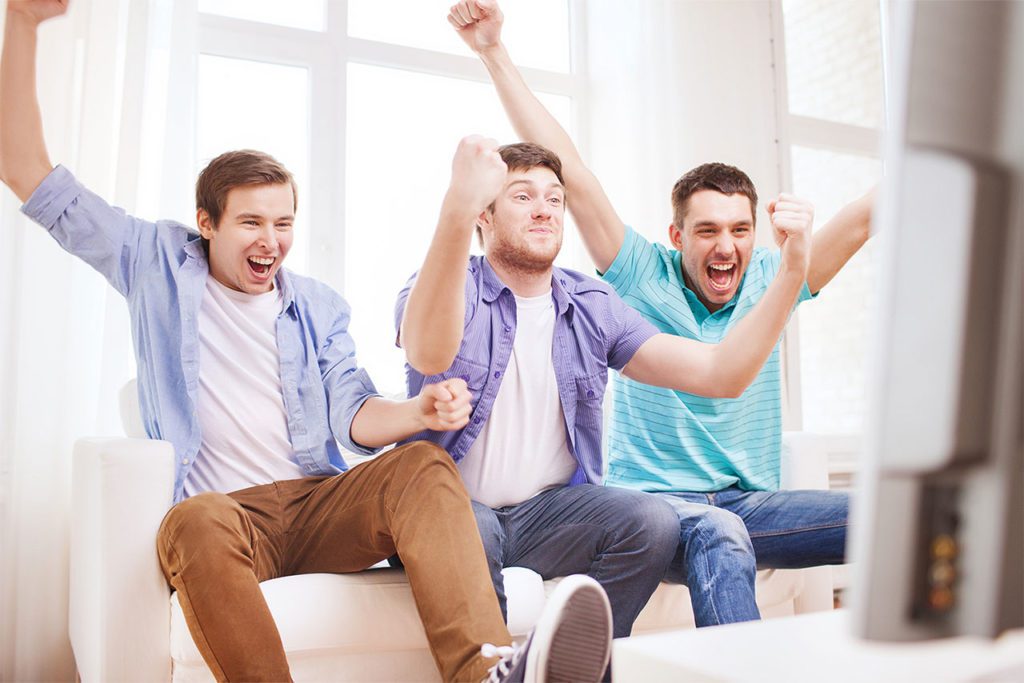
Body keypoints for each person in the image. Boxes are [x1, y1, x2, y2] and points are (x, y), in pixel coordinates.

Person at [0, 2, 615, 681]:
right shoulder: (154, 263)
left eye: (284, 222)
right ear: (205, 222)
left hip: (318, 503)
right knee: (190, 523)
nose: (272, 241)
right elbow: (25, 166)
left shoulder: (317, 307)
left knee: (421, 466)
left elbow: (353, 412)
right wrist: (22, 24)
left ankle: (489, 669)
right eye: (251, 223)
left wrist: (418, 413)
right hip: (231, 516)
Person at [447, 0, 871, 627]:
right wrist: (493, 52)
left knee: (897, 517)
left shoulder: (775, 275)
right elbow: (572, 170)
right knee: (719, 531)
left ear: (756, 235)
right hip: (660, 505)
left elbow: (864, 218)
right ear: (676, 236)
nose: (724, 247)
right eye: (706, 231)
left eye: (738, 231)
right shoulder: (639, 274)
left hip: (752, 502)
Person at [396, 128, 814, 642]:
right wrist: (456, 210)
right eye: (522, 197)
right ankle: (496, 672)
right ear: (484, 214)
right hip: (453, 506)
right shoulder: (443, 281)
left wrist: (791, 273)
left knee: (652, 522)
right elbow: (425, 350)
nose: (545, 209)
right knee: (468, 532)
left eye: (555, 199)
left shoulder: (590, 304)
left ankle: (577, 662)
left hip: (547, 514)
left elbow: (720, 374)